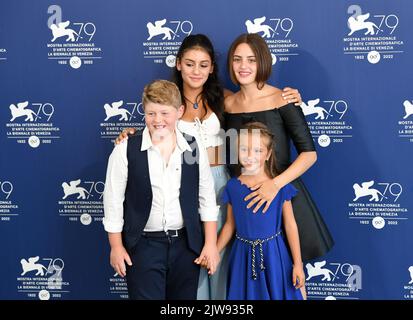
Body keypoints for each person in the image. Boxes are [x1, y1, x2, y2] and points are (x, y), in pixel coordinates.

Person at [114, 34, 303, 300]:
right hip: (184, 185)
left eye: (203, 65)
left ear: (212, 68)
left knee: (224, 256)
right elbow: (154, 128)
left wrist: (289, 97)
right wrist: (129, 134)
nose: (196, 71)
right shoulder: (168, 100)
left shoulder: (223, 98)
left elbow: (259, 111)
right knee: (194, 257)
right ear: (178, 64)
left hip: (223, 182)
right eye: (189, 64)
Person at [224, 33, 334, 298]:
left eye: (251, 59)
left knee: (290, 282)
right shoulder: (226, 102)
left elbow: (309, 154)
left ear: (263, 62)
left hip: (283, 196)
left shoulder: (283, 99)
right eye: (237, 59)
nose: (243, 66)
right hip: (244, 202)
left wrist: (274, 185)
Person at [103, 79, 220, 300]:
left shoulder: (193, 147)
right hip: (143, 246)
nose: (158, 120)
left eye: (165, 113)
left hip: (186, 247)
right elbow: (113, 201)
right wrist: (116, 246)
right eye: (151, 113)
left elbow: (206, 198)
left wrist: (211, 244)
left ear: (179, 111)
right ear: (144, 112)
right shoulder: (125, 149)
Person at [218, 122, 305, 300]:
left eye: (257, 151)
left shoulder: (279, 186)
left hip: (274, 255)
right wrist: (214, 251)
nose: (250, 156)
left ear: (268, 154)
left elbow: (290, 225)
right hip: (243, 257)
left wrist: (298, 264)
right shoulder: (233, 186)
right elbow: (229, 225)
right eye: (244, 149)